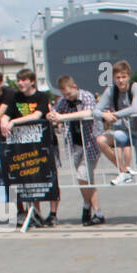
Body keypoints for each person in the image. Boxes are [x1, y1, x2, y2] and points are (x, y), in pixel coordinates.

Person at [96, 60, 137, 224]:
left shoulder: (136, 87)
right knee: (101, 140)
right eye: (117, 78)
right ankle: (124, 170)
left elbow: (135, 108)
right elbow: (96, 109)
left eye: (123, 77)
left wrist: (114, 114)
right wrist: (103, 115)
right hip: (123, 130)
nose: (120, 81)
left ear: (128, 76)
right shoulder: (111, 91)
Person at [47, 75, 105, 225]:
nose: (67, 97)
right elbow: (54, 112)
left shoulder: (87, 96)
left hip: (91, 142)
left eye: (69, 94)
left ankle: (90, 208)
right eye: (64, 95)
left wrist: (62, 117)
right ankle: (92, 209)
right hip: (75, 144)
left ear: (74, 87)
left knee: (83, 175)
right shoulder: (65, 101)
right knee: (85, 179)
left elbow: (88, 113)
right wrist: (52, 115)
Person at [0, 68, 55, 225]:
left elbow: (36, 115)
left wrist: (14, 121)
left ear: (32, 81)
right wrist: (4, 121)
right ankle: (32, 213)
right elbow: (6, 113)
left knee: (46, 177)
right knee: (27, 178)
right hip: (21, 145)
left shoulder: (41, 96)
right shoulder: (15, 97)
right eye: (18, 80)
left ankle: (51, 213)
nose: (20, 83)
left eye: (24, 80)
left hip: (42, 143)